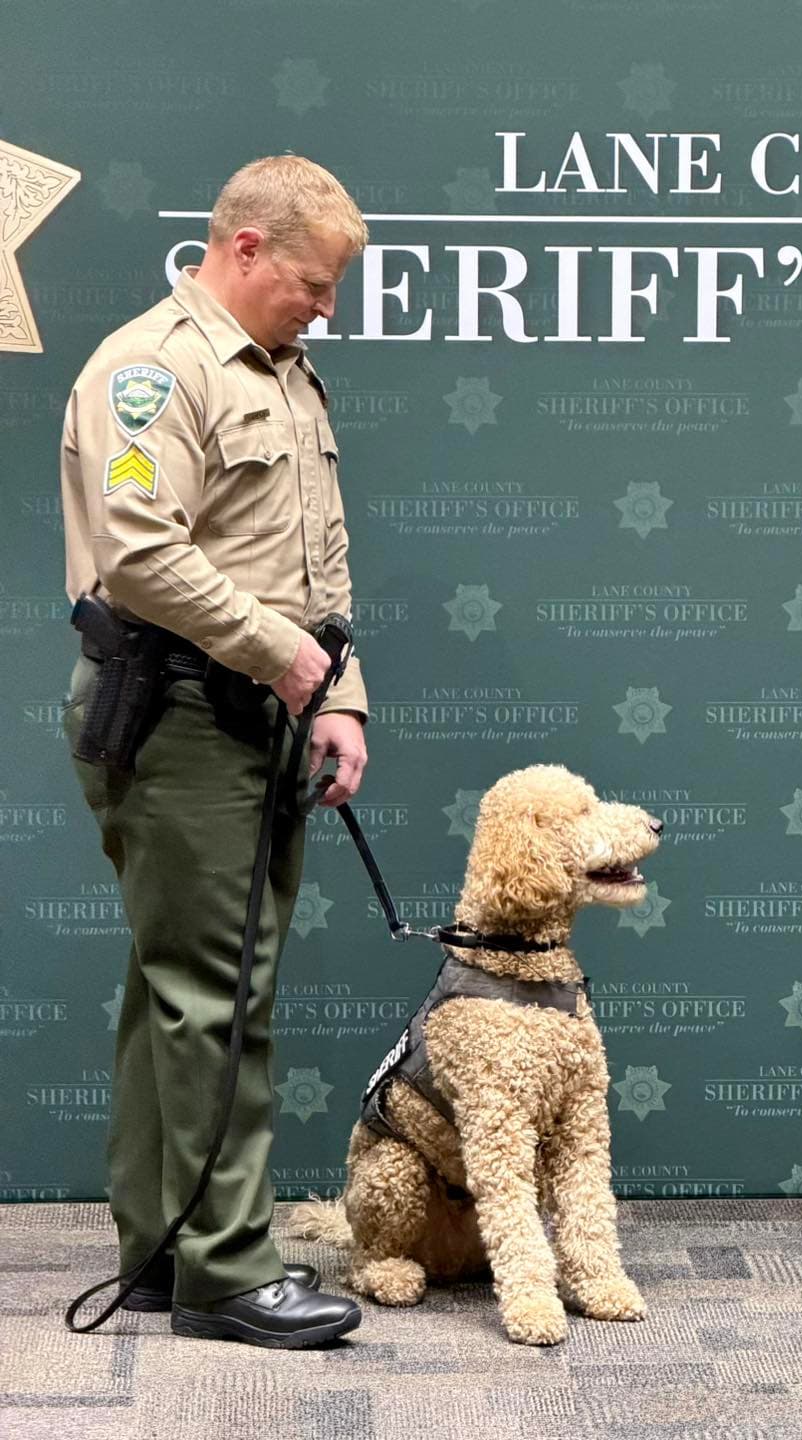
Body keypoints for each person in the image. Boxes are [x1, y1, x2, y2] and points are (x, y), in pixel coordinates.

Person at [61, 155, 371, 1347]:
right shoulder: (152, 372)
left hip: (258, 710)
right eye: (311, 282)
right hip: (179, 711)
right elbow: (142, 555)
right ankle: (230, 1272)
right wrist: (286, 659)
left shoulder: (287, 375)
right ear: (243, 249)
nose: (325, 307)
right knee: (215, 997)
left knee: (181, 989)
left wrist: (337, 693)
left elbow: (317, 559)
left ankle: (162, 1250)